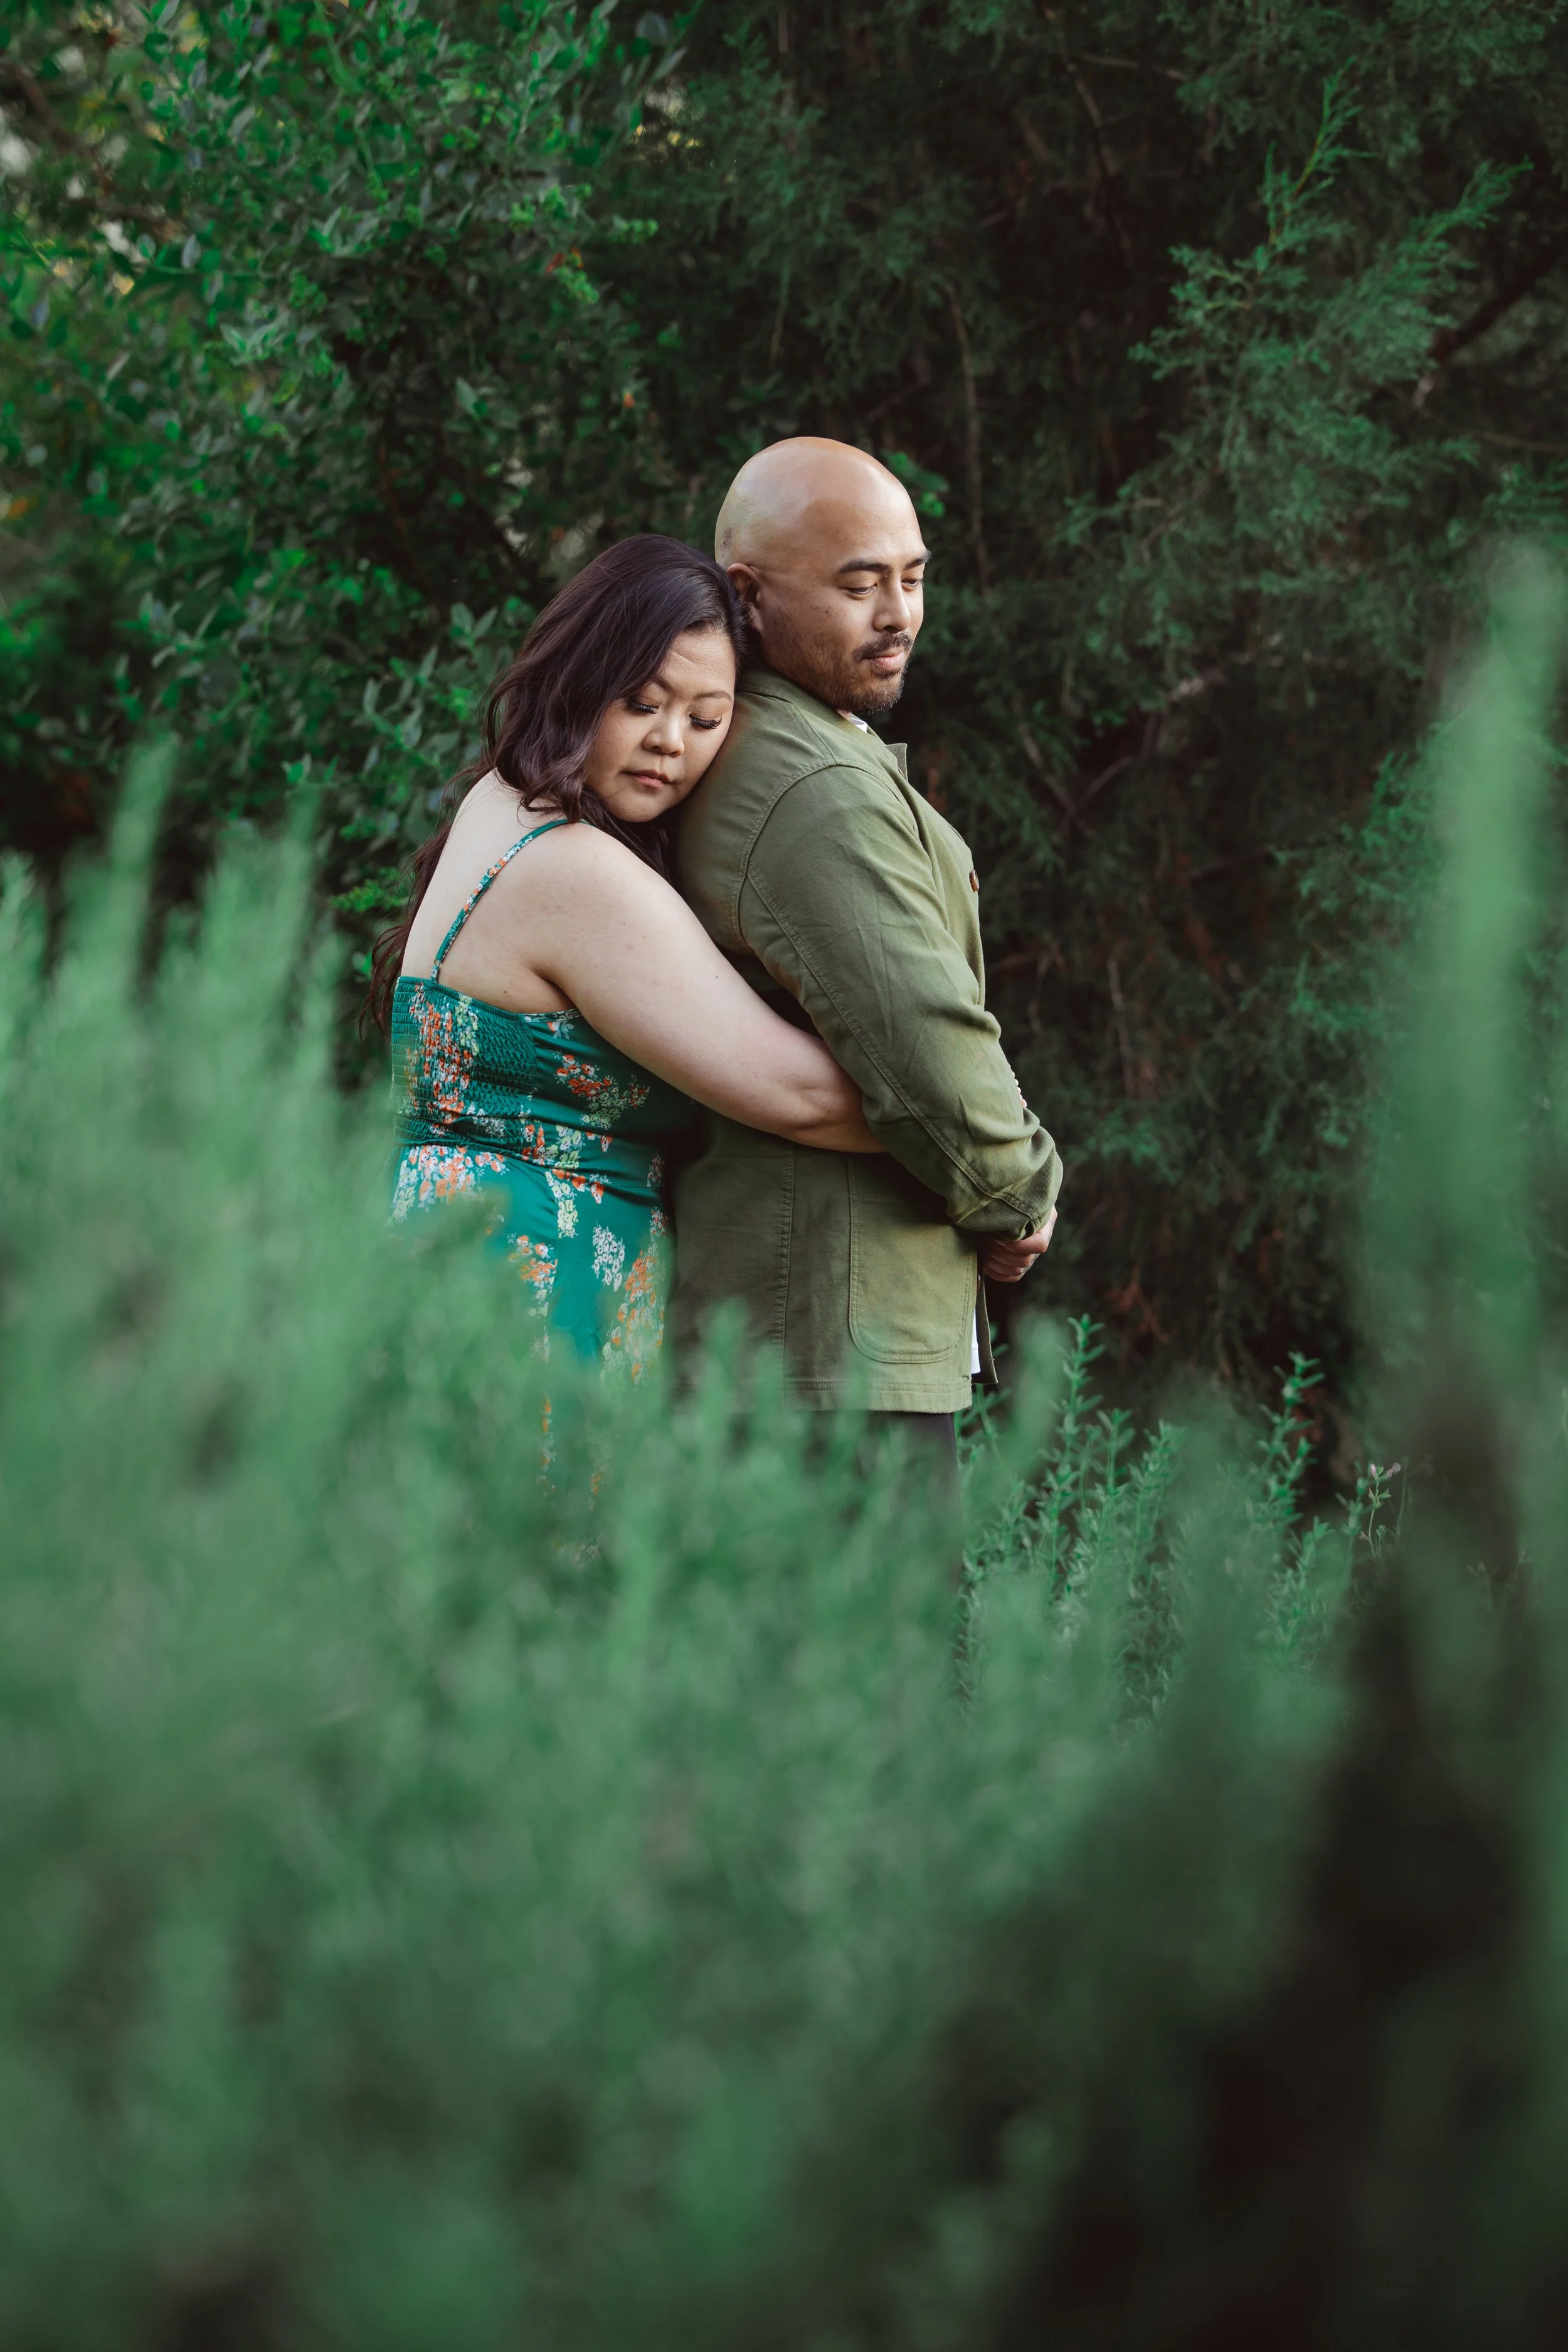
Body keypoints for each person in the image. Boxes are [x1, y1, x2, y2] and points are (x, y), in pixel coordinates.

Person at [367, 535, 882, 1379]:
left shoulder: (501, 798)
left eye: (706, 717)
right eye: (642, 702)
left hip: (459, 1251)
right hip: (529, 1283)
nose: (671, 741)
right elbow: (801, 1096)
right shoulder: (575, 869)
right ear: (580, 682)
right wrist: (975, 1149)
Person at [673, 438, 1063, 1473]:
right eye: (859, 586)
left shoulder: (790, 744)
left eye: (914, 576)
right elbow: (925, 1042)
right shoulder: (808, 788)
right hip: (828, 1357)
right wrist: (1022, 1191)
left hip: (817, 1343)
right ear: (747, 596)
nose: (899, 615)